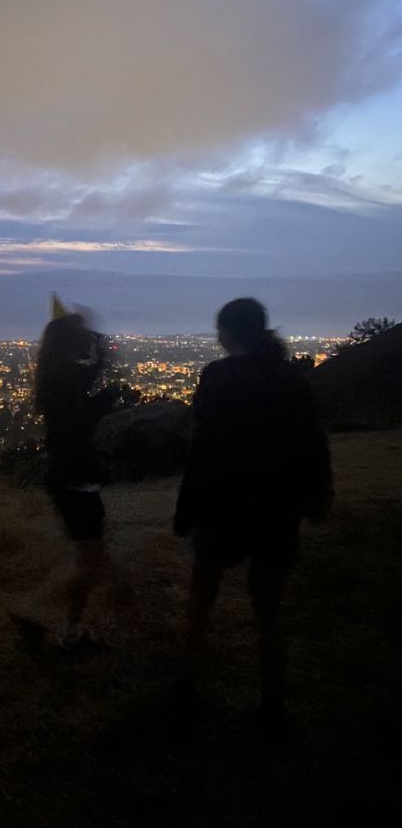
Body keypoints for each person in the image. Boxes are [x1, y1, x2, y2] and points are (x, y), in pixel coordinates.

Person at [173, 298, 333, 732]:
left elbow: (201, 450)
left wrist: (186, 509)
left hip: (223, 506)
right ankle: (273, 703)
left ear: (230, 333)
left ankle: (186, 687)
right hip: (277, 509)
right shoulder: (291, 380)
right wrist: (318, 497)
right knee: (268, 610)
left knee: (201, 599)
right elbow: (313, 444)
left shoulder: (219, 377)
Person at [35, 295, 118, 648]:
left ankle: (71, 629)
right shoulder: (66, 377)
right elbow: (96, 375)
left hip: (67, 473)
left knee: (90, 559)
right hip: (76, 475)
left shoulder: (53, 376)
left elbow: (88, 389)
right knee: (91, 561)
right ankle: (36, 607)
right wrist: (96, 343)